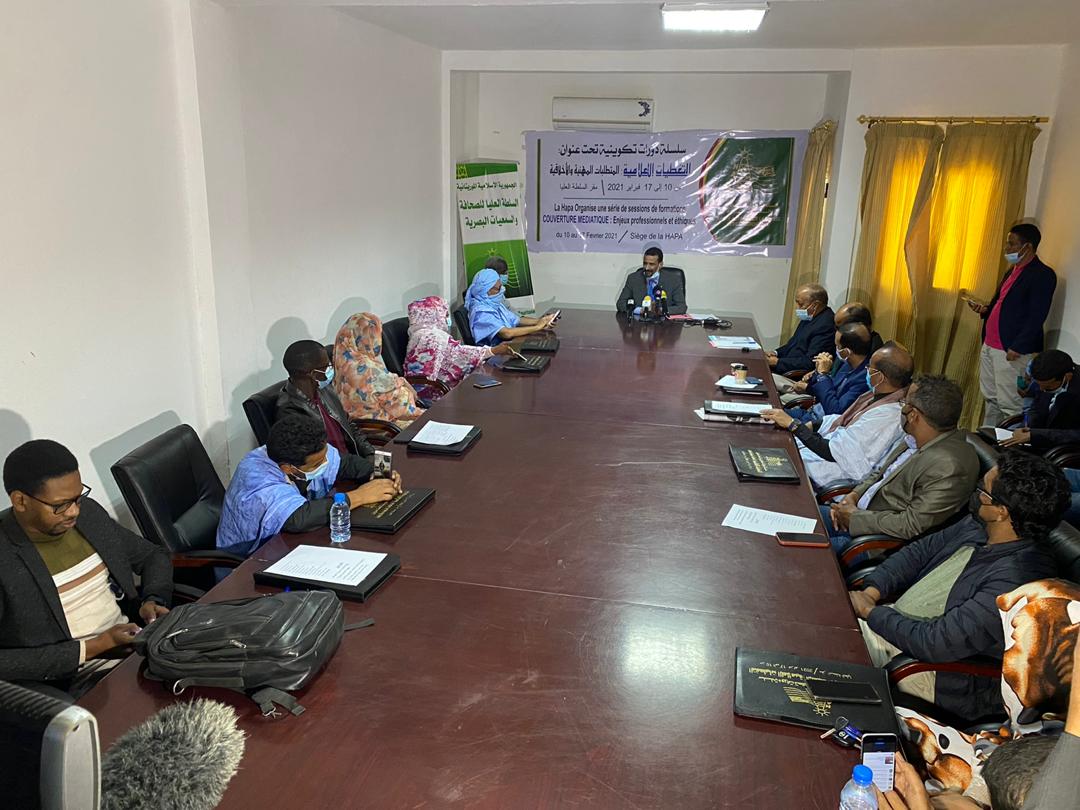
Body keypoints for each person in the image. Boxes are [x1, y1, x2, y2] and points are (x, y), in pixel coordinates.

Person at [848, 451, 1065, 720]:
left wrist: (870, 612)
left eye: (982, 490)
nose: (976, 493)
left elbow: (936, 643)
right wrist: (872, 592)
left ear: (1001, 511)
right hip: (891, 625)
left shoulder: (1018, 579)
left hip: (931, 672)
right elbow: (919, 553)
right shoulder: (980, 525)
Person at [0, 440, 173, 700]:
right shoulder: (5, 555)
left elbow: (152, 556)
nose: (73, 511)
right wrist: (93, 648)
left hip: (139, 651)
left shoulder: (88, 515)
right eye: (60, 505)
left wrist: (153, 599)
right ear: (21, 501)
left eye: (78, 498)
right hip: (71, 684)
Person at [823, 375, 980, 551]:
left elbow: (910, 524)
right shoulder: (916, 436)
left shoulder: (949, 467)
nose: (901, 406)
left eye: (904, 402)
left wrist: (854, 518)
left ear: (913, 415)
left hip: (872, 543)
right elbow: (880, 474)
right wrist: (853, 496)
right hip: (855, 514)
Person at [216, 416, 402, 556]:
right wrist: (361, 496)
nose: (325, 462)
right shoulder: (256, 477)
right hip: (246, 562)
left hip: (287, 547)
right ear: (288, 468)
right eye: (317, 464)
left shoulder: (304, 450)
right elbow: (298, 519)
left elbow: (345, 463)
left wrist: (377, 474)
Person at [763, 342, 912, 489]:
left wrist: (794, 425)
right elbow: (838, 420)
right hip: (825, 447)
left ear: (879, 377)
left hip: (831, 471)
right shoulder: (878, 395)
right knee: (770, 445)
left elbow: (836, 452)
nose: (866, 371)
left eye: (869, 368)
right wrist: (808, 426)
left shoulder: (888, 416)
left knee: (768, 466)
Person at [967, 223, 1057, 426]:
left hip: (1011, 349)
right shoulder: (1012, 271)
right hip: (990, 344)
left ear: (1028, 246)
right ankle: (988, 437)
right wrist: (985, 310)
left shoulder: (1042, 274)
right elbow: (1004, 303)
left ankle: (1009, 443)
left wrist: (1018, 346)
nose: (1007, 248)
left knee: (1010, 404)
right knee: (991, 397)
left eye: (1012, 244)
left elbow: (1037, 315)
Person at [275, 339, 374, 460]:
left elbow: (349, 426)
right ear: (313, 373)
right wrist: (361, 466)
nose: (330, 370)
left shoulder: (326, 391)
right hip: (337, 468)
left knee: (389, 463)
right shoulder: (290, 411)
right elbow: (315, 458)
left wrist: (371, 454)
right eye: (327, 366)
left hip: (355, 460)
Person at [403, 296, 513, 400]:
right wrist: (493, 351)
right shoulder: (430, 337)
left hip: (430, 388)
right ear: (433, 315)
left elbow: (455, 352)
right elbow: (457, 354)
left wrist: (492, 351)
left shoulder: (422, 333)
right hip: (434, 393)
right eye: (445, 314)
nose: (446, 318)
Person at [333, 312, 424, 425]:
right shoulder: (369, 368)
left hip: (362, 427)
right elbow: (403, 410)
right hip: (386, 427)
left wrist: (401, 382)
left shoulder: (342, 362)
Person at [783, 322, 872, 422]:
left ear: (846, 351)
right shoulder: (847, 364)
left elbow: (834, 411)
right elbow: (828, 390)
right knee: (771, 410)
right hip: (809, 412)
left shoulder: (864, 379)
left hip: (818, 424)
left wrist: (822, 375)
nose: (835, 349)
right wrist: (817, 371)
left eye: (837, 346)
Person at [1001, 349, 1080, 450]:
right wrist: (1027, 426)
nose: (1042, 389)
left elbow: (1076, 434)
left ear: (1067, 377)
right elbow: (1036, 407)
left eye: (1048, 387)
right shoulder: (1044, 376)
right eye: (1039, 385)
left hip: (1065, 447)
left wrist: (1036, 435)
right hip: (1038, 437)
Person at [465, 268, 557, 346]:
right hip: (494, 356)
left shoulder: (492, 302)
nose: (502, 290)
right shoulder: (481, 312)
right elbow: (506, 333)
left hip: (507, 347)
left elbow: (516, 319)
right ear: (486, 290)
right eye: (498, 289)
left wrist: (542, 321)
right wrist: (537, 327)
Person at [768, 283, 835, 385]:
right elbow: (792, 344)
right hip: (784, 366)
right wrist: (774, 353)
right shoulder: (810, 316)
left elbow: (810, 362)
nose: (798, 308)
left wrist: (777, 362)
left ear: (815, 305)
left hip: (795, 377)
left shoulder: (826, 325)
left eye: (801, 304)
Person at [614, 247, 687, 316]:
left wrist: (661, 310)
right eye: (645, 263)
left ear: (660, 265)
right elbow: (620, 304)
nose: (647, 268)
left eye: (651, 264)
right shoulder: (633, 278)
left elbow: (682, 307)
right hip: (639, 321)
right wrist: (639, 310)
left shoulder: (673, 280)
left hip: (664, 323)